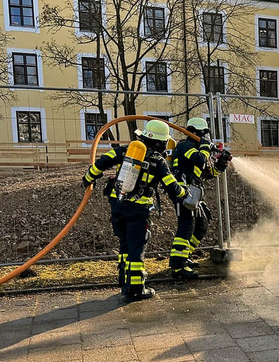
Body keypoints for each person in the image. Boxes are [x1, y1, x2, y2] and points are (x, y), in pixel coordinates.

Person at [82, 119, 186, 301]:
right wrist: (183, 191)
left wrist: (88, 178)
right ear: (161, 142)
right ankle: (136, 289)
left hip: (117, 205)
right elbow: (172, 187)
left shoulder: (125, 150)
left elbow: (102, 163)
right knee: (137, 246)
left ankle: (124, 281)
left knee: (125, 244)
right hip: (138, 210)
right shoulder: (157, 160)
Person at [169, 117, 230, 279]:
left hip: (194, 191)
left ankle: (185, 256)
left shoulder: (196, 149)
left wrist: (221, 164)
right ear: (197, 133)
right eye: (205, 134)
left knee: (202, 223)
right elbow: (199, 159)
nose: (207, 138)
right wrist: (205, 147)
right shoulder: (185, 146)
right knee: (186, 225)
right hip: (183, 191)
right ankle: (178, 266)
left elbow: (206, 174)